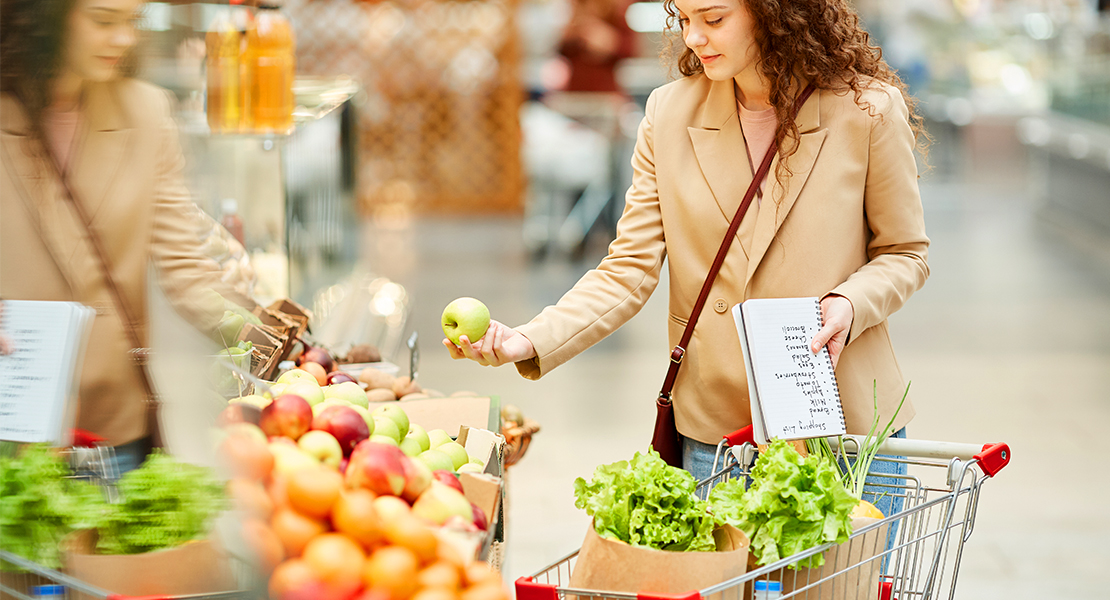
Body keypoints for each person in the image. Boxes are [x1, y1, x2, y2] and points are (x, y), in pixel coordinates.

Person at [447, 0, 928, 506]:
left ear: (774, 13)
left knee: (849, 586)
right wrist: (528, 338)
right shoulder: (668, 113)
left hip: (840, 422)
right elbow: (627, 269)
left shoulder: (867, 109)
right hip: (718, 435)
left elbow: (905, 252)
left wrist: (849, 304)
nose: (694, 38)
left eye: (714, 19)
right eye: (684, 20)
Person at [1, 0, 241, 472]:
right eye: (103, 20)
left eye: (132, 21)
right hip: (12, 428)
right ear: (44, 16)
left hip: (113, 430)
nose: (124, 38)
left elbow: (187, 271)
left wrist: (280, 341)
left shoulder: (146, 111)